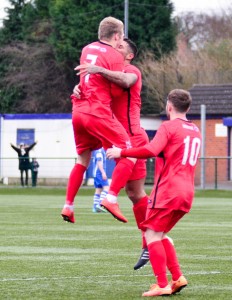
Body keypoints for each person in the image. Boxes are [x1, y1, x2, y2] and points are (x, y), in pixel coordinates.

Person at [107, 89, 202, 296]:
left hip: (168, 191)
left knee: (151, 234)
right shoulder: (195, 130)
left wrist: (121, 152)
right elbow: (166, 151)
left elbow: (151, 150)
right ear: (188, 107)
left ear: (169, 106)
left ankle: (162, 284)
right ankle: (177, 277)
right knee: (161, 235)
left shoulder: (168, 126)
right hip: (187, 193)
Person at [74, 38, 151, 269]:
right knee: (135, 192)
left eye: (120, 48)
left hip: (133, 137)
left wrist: (98, 68)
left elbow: (126, 81)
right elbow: (93, 90)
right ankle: (149, 242)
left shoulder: (130, 70)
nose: (114, 50)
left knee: (134, 193)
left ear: (129, 56)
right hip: (116, 137)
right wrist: (79, 88)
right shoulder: (109, 70)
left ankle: (149, 241)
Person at [61, 16, 137, 224]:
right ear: (116, 36)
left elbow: (87, 78)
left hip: (78, 110)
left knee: (82, 160)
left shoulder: (87, 49)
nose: (121, 42)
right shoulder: (115, 56)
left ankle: (68, 206)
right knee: (130, 153)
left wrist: (81, 86)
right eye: (120, 37)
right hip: (97, 111)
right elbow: (117, 89)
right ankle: (111, 198)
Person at [92, 148, 109, 213]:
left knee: (98, 189)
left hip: (95, 173)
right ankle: (100, 204)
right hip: (99, 173)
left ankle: (95, 206)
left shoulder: (96, 150)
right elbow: (99, 161)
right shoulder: (99, 150)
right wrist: (103, 172)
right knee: (106, 188)